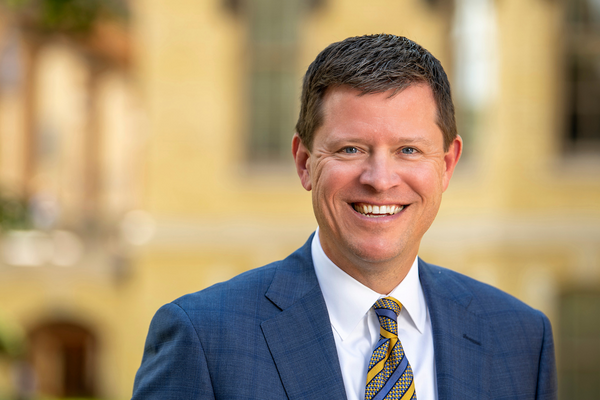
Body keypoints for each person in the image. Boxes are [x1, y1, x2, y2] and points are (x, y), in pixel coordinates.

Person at [131, 34, 557, 400]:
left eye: (408, 149)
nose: (380, 179)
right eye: (350, 149)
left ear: (446, 165)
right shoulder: (203, 337)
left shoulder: (520, 338)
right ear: (304, 162)